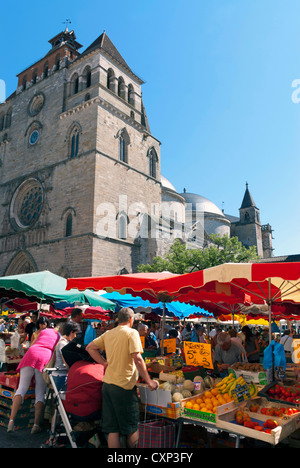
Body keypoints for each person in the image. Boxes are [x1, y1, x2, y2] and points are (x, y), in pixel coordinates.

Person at [86, 307, 158, 448]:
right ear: (132, 319)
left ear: (119, 319)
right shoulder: (132, 333)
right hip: (124, 387)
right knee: (131, 428)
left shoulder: (109, 333)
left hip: (108, 386)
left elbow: (89, 348)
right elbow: (137, 358)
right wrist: (149, 381)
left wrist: (104, 363)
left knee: (113, 430)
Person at [7, 325, 60, 434]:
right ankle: (35, 425)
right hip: (45, 356)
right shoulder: (59, 336)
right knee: (40, 392)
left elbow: (33, 343)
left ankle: (11, 421)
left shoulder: (44, 331)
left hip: (31, 353)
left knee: (21, 388)